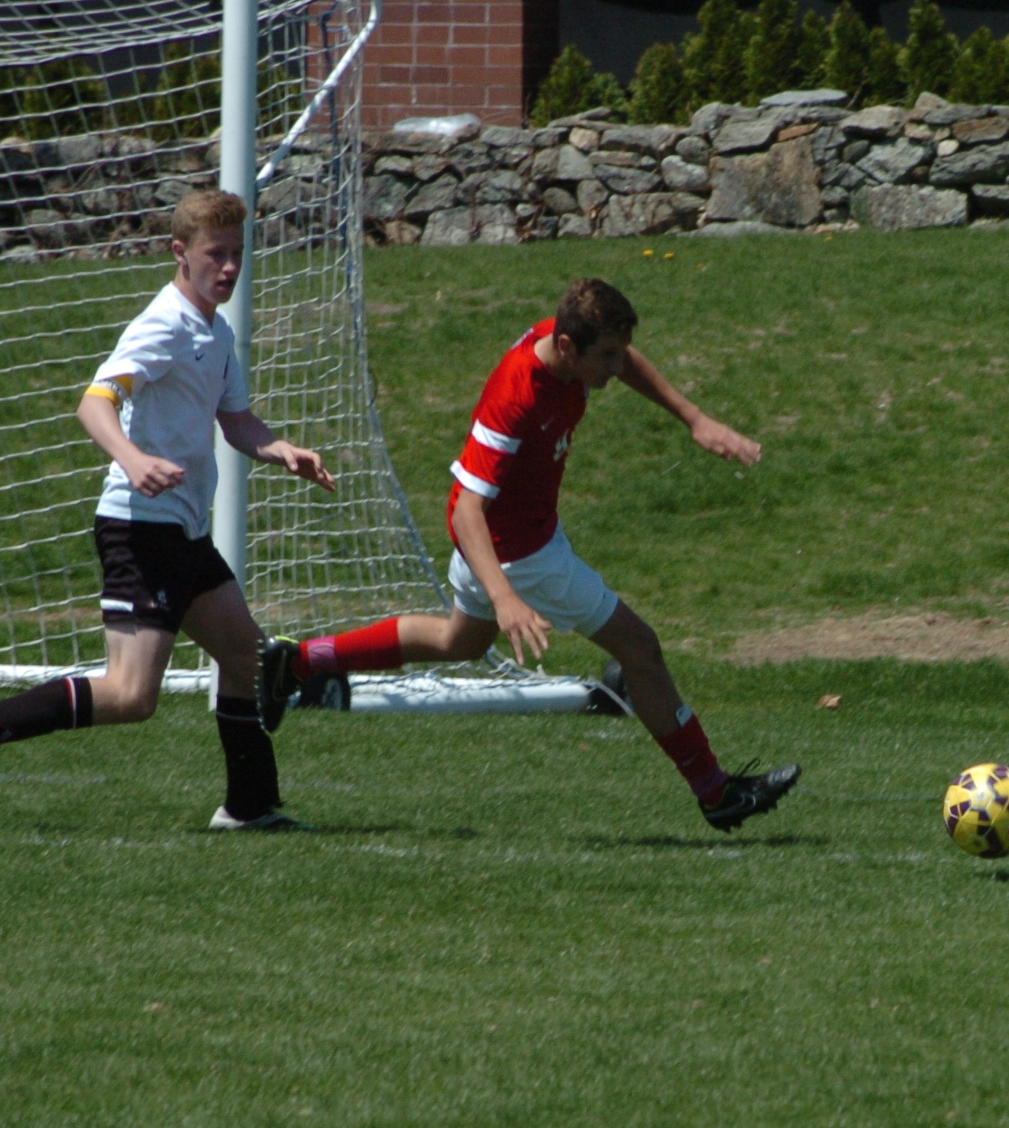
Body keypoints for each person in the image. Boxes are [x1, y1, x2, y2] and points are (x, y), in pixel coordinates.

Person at [257, 277, 799, 833]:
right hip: (520, 554)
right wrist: (505, 599)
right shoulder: (516, 396)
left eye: (619, 352)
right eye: (607, 356)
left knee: (459, 642)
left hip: (511, 538)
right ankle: (715, 791)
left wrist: (694, 418)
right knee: (641, 649)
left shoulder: (562, 339)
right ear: (567, 347)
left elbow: (626, 359)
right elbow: (469, 511)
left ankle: (296, 662)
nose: (617, 367)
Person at [0, 189, 334, 830]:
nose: (229, 267)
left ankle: (248, 807)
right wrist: (133, 459)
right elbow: (94, 402)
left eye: (237, 254)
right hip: (140, 528)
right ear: (180, 253)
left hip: (182, 530)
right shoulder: (163, 324)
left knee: (246, 658)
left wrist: (280, 449)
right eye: (215, 254)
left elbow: (235, 419)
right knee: (131, 694)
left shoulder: (216, 330)